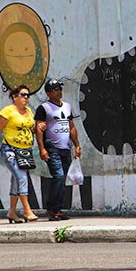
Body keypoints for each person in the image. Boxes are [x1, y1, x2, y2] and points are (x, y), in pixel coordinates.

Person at [0, 84, 39, 223]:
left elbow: (31, 128)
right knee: (22, 177)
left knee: (16, 180)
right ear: (15, 97)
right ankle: (27, 211)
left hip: (25, 152)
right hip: (10, 150)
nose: (26, 98)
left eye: (28, 95)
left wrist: (38, 127)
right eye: (23, 95)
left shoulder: (29, 111)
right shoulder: (8, 111)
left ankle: (11, 212)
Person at [35, 79, 81, 221]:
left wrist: (77, 145)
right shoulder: (44, 108)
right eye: (55, 89)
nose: (58, 92)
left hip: (65, 148)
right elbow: (39, 129)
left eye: (59, 89)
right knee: (58, 176)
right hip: (52, 147)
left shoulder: (67, 106)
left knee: (62, 179)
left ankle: (58, 209)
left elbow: (71, 127)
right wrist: (42, 149)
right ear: (48, 93)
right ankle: (52, 208)